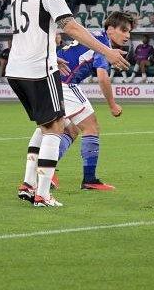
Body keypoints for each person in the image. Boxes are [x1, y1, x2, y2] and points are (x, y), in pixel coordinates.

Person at [13, 0, 129, 207]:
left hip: (18, 68)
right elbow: (71, 27)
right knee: (63, 129)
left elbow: (33, 31)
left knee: (49, 127)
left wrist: (52, 54)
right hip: (45, 72)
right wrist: (109, 53)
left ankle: (29, 183)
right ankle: (43, 190)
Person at [55, 12, 134, 191]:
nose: (127, 35)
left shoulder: (94, 37)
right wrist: (113, 105)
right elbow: (102, 78)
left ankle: (46, 170)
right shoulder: (103, 44)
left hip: (51, 80)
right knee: (91, 127)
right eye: (123, 30)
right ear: (110, 29)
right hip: (64, 83)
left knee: (71, 129)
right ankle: (89, 180)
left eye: (129, 31)